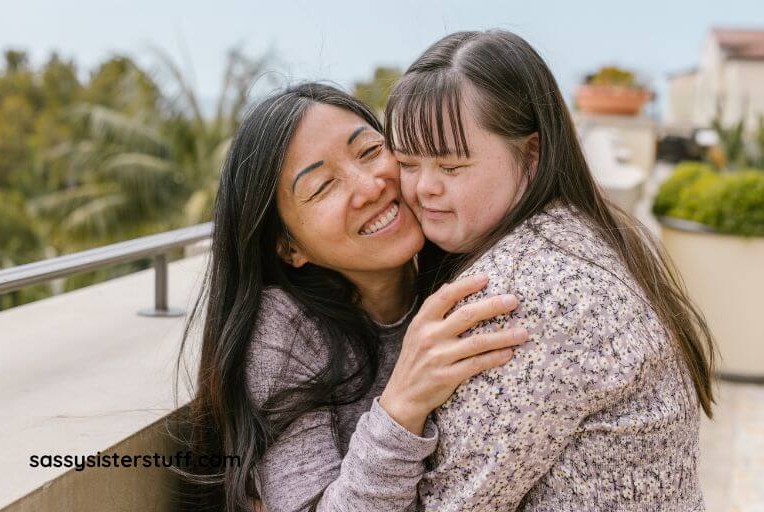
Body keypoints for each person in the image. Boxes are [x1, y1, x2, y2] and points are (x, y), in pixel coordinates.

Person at [384, 30, 716, 511]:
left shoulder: (525, 295)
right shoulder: (580, 232)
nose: (424, 188)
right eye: (407, 163)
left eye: (451, 167)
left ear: (532, 155)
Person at [177, 83, 527, 512]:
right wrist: (402, 404)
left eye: (369, 151)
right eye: (323, 186)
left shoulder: (478, 266)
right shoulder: (284, 330)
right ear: (289, 247)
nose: (370, 186)